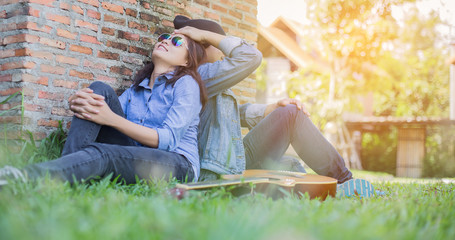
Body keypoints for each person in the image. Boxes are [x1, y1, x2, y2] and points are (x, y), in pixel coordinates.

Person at [54, 16, 375, 198]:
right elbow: (244, 63)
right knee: (288, 118)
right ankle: (67, 171)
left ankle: (343, 181)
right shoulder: (195, 77)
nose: (173, 40)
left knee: (289, 113)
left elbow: (226, 112)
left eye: (181, 39)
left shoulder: (200, 80)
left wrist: (265, 110)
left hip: (219, 155)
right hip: (215, 159)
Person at [0, 31, 208, 185]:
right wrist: (79, 102)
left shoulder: (186, 83)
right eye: (164, 37)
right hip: (136, 153)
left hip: (177, 163)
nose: (165, 41)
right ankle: (66, 174)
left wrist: (110, 119)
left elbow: (168, 140)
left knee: (104, 153)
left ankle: (27, 178)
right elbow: (101, 110)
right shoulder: (138, 89)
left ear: (188, 59)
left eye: (177, 41)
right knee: (98, 91)